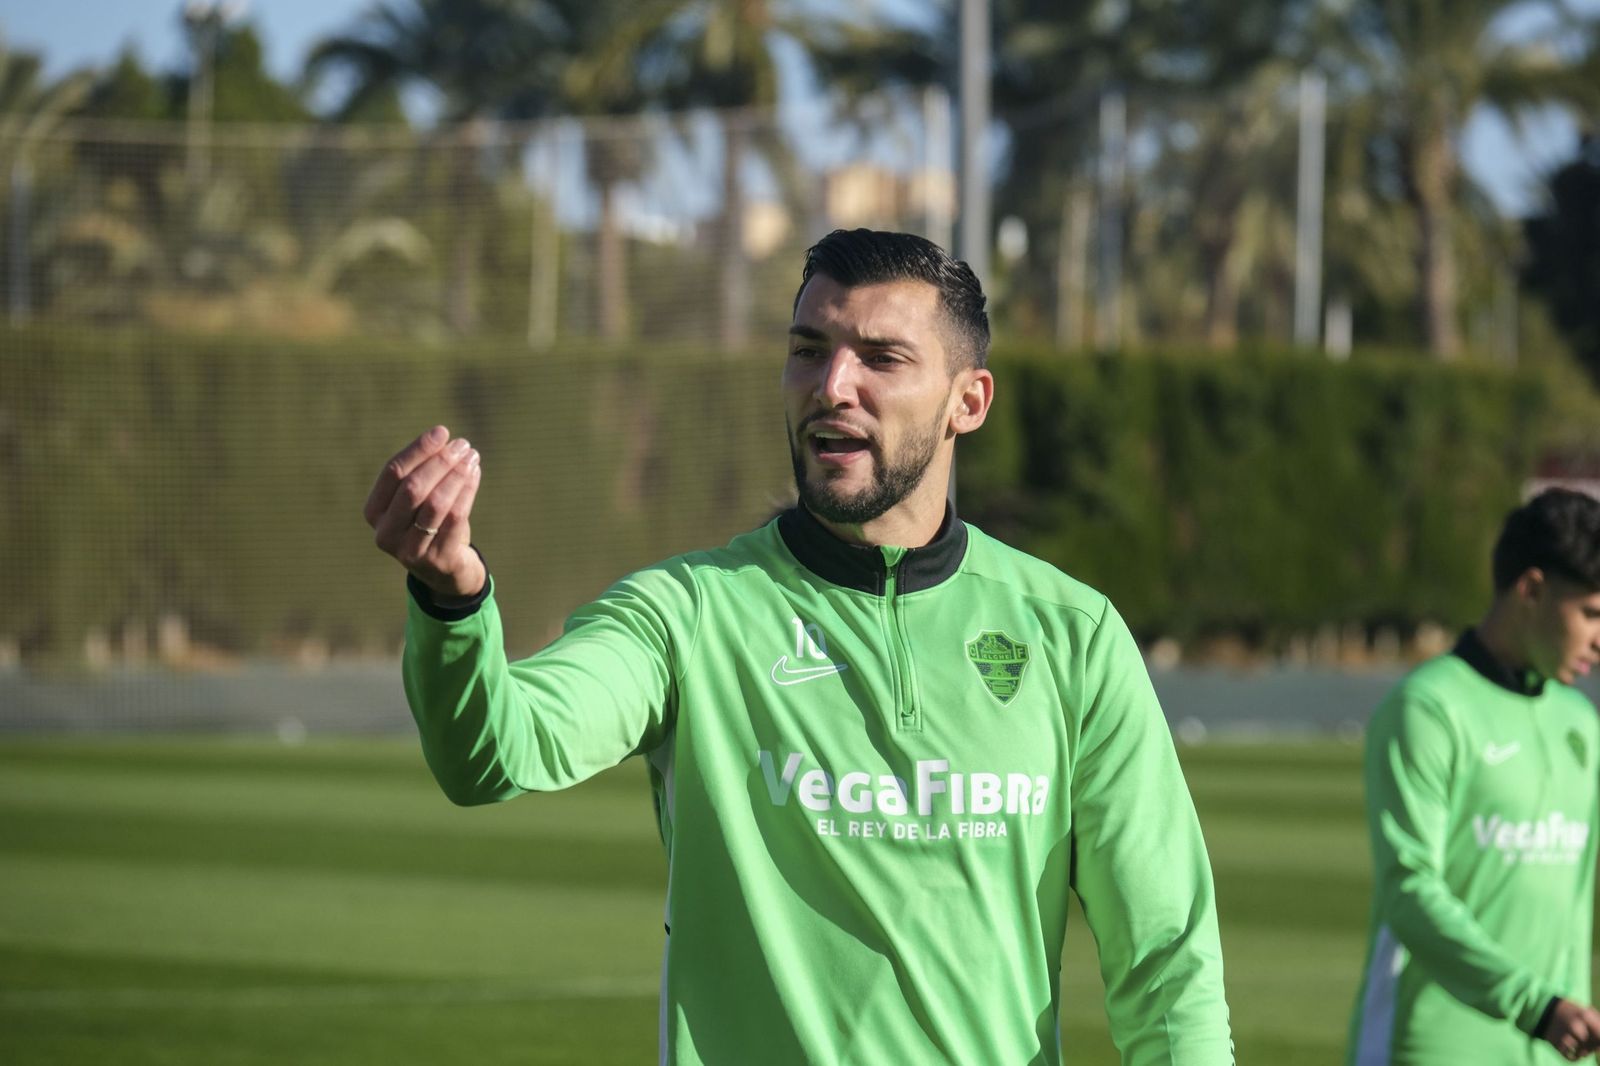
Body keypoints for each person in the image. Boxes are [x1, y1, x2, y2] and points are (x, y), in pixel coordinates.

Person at [364, 229, 1233, 1064]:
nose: (832, 385)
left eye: (881, 358)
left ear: (967, 402)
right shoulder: (688, 614)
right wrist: (452, 600)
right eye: (809, 350)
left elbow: (1166, 957)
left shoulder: (1071, 634)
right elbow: (497, 751)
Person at [1348, 488, 1600, 1065]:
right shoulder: (1428, 709)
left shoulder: (1581, 723)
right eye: (1590, 614)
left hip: (1560, 1049)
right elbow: (1409, 891)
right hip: (1434, 1048)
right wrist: (1535, 1005)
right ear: (1531, 590)